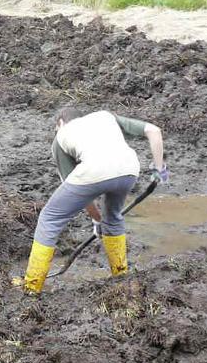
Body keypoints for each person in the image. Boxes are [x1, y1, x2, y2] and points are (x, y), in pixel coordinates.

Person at [23, 107, 170, 294]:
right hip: (129, 169)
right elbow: (153, 131)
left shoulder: (61, 137)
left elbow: (79, 191)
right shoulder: (106, 117)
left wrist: (95, 219)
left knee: (49, 218)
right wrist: (159, 168)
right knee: (113, 218)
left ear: (60, 123)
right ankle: (121, 277)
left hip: (93, 172)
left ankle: (31, 287)